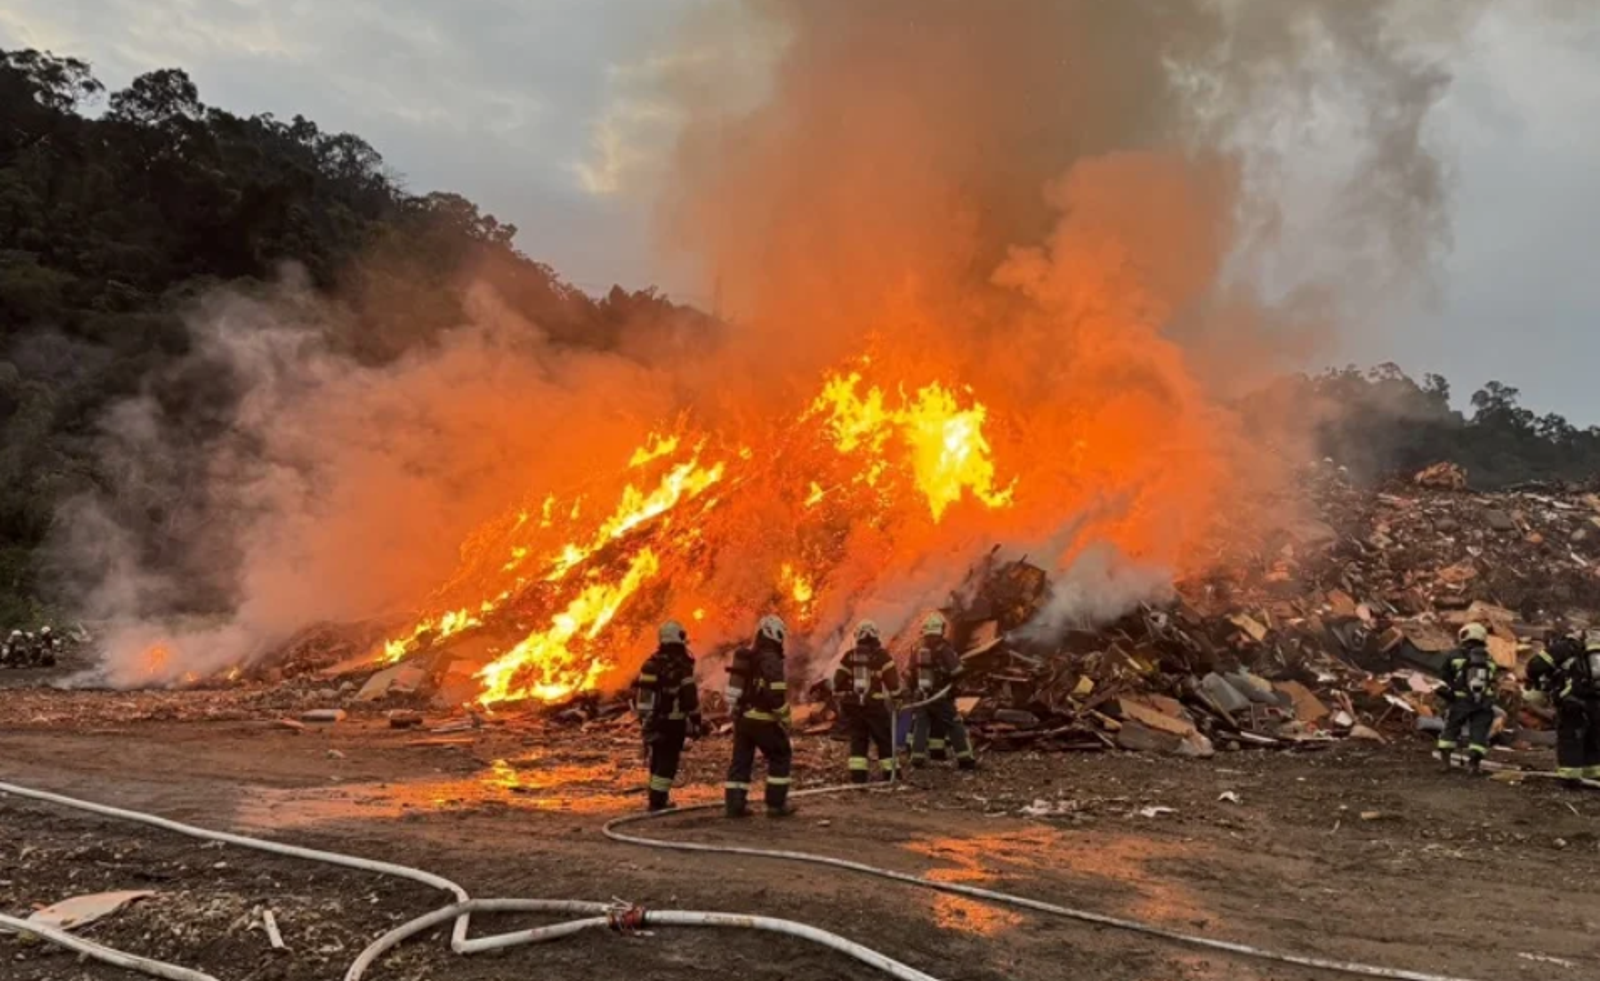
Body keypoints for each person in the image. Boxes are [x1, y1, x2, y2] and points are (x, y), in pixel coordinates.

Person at [725, 614, 795, 818]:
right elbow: (775, 692)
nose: (782, 639)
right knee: (781, 754)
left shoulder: (750, 656)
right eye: (780, 634)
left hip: (743, 718)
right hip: (763, 718)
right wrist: (784, 715)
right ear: (773, 633)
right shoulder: (770, 658)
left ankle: (734, 806)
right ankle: (775, 805)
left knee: (741, 760)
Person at [633, 619, 705, 812]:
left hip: (652, 721)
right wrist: (697, 722)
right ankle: (658, 802)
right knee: (668, 762)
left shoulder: (651, 663)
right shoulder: (680, 666)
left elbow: (642, 697)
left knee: (657, 758)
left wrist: (645, 719)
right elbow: (690, 698)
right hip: (673, 722)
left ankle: (657, 797)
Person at [832, 620, 901, 784]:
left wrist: (850, 689)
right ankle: (891, 774)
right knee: (884, 739)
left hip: (854, 707)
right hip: (875, 707)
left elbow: (837, 681)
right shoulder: (883, 656)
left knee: (858, 740)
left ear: (857, 636)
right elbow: (893, 682)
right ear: (876, 635)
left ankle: (858, 777)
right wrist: (898, 698)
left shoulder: (849, 656)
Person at [908, 613, 976, 771]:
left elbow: (910, 673)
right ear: (941, 630)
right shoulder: (944, 648)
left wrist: (914, 691)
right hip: (940, 695)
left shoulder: (917, 648)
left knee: (920, 725)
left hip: (922, 695)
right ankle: (966, 760)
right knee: (954, 724)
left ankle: (916, 759)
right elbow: (957, 671)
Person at [1436, 623, 1500, 775]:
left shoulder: (1454, 655)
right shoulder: (1489, 658)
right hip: (1483, 703)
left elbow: (1444, 675)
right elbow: (1493, 681)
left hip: (1460, 701)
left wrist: (1450, 690)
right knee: (1479, 733)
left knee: (1451, 729)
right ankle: (1473, 765)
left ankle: (1445, 763)